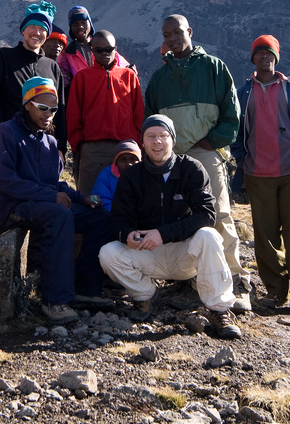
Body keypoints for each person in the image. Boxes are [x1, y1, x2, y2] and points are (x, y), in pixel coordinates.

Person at [99, 115, 242, 339]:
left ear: (172, 140)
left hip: (185, 252)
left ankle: (219, 310)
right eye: (151, 136)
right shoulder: (131, 177)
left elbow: (206, 214)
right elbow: (118, 219)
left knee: (209, 236)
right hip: (147, 252)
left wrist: (163, 234)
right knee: (108, 253)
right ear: (142, 142)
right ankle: (144, 294)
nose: (157, 142)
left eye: (163, 136)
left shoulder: (192, 169)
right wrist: (127, 234)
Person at [144, 14, 252, 311]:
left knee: (217, 213)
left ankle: (235, 281)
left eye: (177, 32)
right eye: (167, 34)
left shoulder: (214, 68)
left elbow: (232, 115)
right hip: (173, 159)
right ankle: (192, 281)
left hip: (206, 153)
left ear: (189, 31)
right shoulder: (159, 79)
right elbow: (150, 118)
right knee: (182, 217)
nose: (173, 38)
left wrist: (210, 142)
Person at [0, 77, 112, 324]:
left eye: (53, 109)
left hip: (40, 202)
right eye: (43, 108)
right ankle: (54, 300)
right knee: (60, 215)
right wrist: (51, 196)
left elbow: (55, 183)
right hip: (12, 207)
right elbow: (5, 180)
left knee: (99, 217)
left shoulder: (49, 141)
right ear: (27, 104)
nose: (49, 114)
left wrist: (82, 197)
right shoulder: (5, 132)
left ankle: (84, 289)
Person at [232, 35, 290, 315]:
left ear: (276, 58)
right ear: (253, 58)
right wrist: (241, 158)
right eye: (259, 53)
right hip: (258, 173)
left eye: (269, 53)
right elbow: (235, 126)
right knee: (265, 235)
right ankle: (275, 292)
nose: (264, 58)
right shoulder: (244, 92)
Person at [0, 1, 67, 154]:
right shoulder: (4, 58)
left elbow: (59, 112)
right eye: (32, 27)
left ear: (47, 34)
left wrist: (60, 147)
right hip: (8, 143)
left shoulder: (52, 67)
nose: (37, 32)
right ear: (23, 31)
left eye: (42, 29)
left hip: (43, 145)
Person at [66, 30, 144, 195]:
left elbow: (138, 113)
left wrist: (137, 142)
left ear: (115, 49)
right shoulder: (82, 77)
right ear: (92, 50)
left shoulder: (129, 76)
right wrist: (79, 144)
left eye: (108, 49)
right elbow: (73, 114)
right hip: (93, 149)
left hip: (126, 149)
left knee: (128, 197)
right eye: (99, 50)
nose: (104, 53)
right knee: (90, 198)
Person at [57, 5, 131, 88]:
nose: (80, 26)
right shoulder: (67, 54)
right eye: (75, 24)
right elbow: (64, 81)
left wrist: (130, 69)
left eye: (83, 22)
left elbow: (121, 65)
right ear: (71, 28)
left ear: (90, 24)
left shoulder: (102, 45)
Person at [90, 139, 141, 211]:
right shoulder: (106, 175)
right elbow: (101, 200)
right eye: (123, 160)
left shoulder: (147, 175)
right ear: (116, 163)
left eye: (133, 159)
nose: (128, 164)